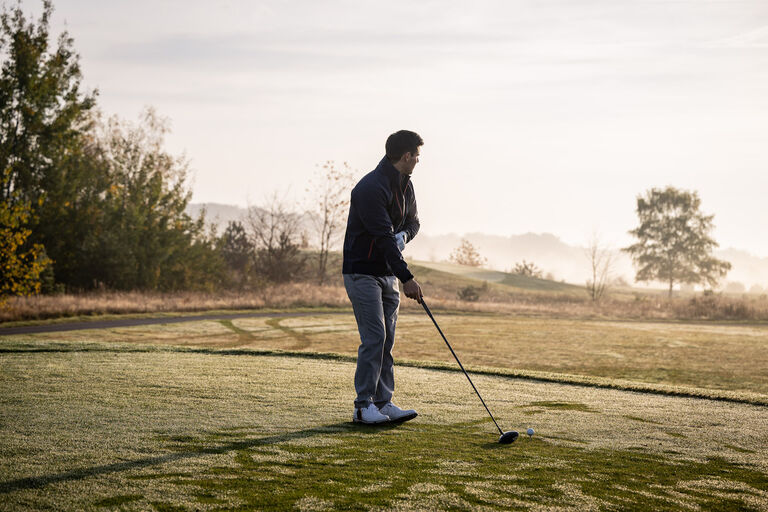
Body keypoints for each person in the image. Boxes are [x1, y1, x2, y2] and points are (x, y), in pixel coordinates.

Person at [342, 130, 425, 425]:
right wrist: (407, 278)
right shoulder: (370, 188)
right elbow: (382, 237)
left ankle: (383, 402)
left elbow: (414, 222)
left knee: (386, 340)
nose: (418, 160)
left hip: (386, 273)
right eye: (416, 155)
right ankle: (363, 407)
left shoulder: (406, 186)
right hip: (362, 271)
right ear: (405, 156)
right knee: (375, 336)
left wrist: (405, 234)